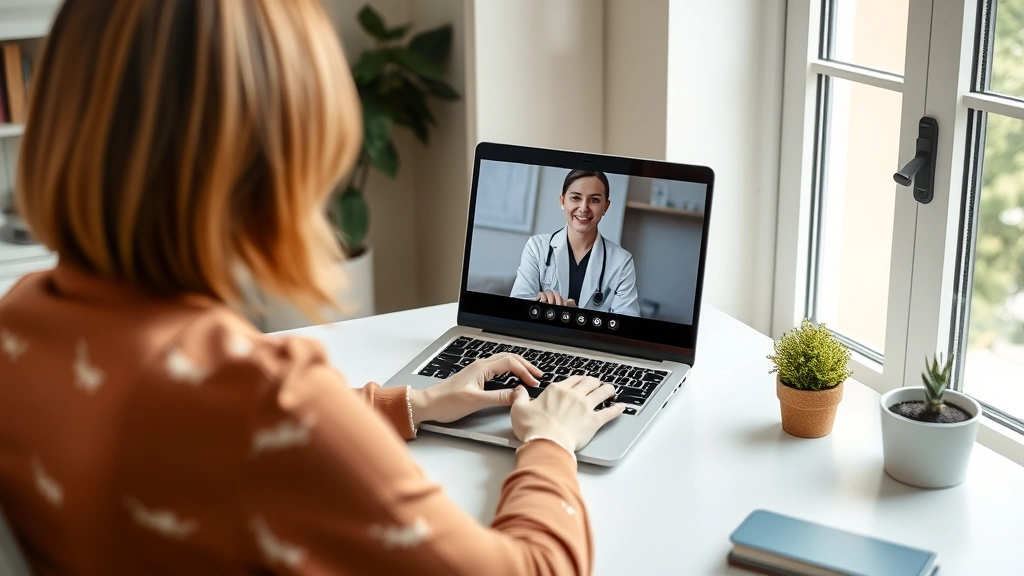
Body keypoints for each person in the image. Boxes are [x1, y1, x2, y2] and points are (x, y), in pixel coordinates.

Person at [0, 1, 624, 573]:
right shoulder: (262, 399)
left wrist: (414, 403)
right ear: (272, 163)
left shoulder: (22, 319)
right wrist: (549, 439)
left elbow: (218, 439)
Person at [510, 170, 641, 316]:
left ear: (605, 206)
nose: (584, 208)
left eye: (595, 200)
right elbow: (516, 308)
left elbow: (628, 323)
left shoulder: (622, 262)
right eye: (576, 198)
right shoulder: (536, 247)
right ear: (562, 201)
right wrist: (539, 304)